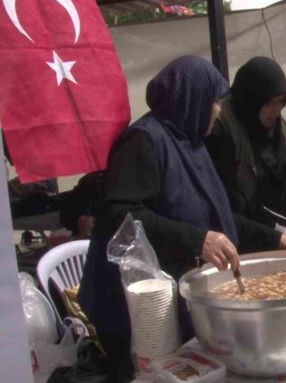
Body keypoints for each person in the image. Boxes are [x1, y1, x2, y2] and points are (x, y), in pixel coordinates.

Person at [79, 56, 242, 381]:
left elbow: (213, 214)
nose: (218, 110)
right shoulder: (144, 140)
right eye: (214, 101)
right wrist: (196, 239)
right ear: (191, 99)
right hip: (130, 304)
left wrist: (273, 238)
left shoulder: (190, 142)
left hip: (170, 291)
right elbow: (119, 214)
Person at [206, 56, 286, 248]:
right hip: (239, 242)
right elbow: (226, 206)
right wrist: (273, 233)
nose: (275, 110)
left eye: (281, 102)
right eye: (269, 103)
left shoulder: (278, 130)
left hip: (278, 239)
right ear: (251, 99)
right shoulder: (221, 130)